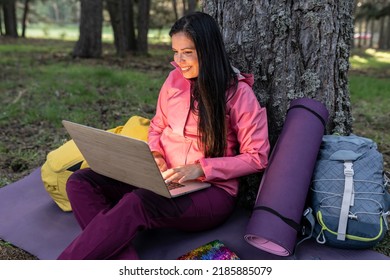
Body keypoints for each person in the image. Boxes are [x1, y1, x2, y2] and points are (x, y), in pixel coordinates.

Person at [57, 11, 270, 260]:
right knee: (81, 182)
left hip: (211, 192)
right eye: (175, 51)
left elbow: (257, 157)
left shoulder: (239, 94)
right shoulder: (173, 80)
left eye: (187, 52)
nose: (179, 60)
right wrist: (156, 156)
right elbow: (157, 126)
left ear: (208, 50)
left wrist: (200, 169)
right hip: (162, 177)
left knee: (137, 203)